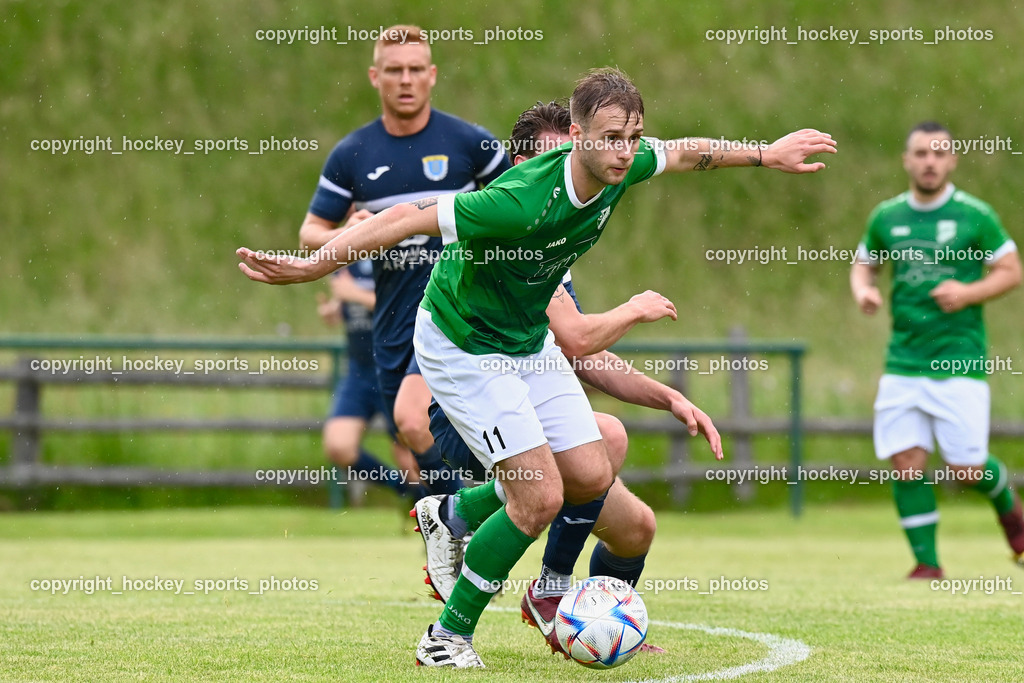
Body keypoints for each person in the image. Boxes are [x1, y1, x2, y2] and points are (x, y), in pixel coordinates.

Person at [238, 67, 836, 669]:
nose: (625, 151)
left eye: (633, 137)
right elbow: (407, 217)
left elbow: (684, 153)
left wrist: (767, 154)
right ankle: (446, 638)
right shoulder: (519, 200)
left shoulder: (624, 164)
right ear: (577, 135)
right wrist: (314, 266)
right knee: (538, 497)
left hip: (526, 342)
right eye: (611, 138)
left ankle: (454, 515)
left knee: (591, 471)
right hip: (464, 345)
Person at [414, 101, 695, 657]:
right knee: (549, 487)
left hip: (520, 376)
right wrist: (320, 261)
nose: (568, 167)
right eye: (555, 156)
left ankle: (467, 521)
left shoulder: (566, 225)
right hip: (466, 400)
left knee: (622, 506)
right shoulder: (516, 216)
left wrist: (667, 397)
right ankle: (455, 630)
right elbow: (579, 339)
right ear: (523, 165)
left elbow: (579, 355)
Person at [299, 24, 511, 496]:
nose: (406, 80)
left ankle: (473, 513)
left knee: (419, 422)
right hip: (392, 322)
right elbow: (310, 232)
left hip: (458, 314)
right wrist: (344, 234)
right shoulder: (352, 154)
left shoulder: (470, 144)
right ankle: (462, 514)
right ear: (375, 77)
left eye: (416, 69)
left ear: (432, 75)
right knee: (415, 436)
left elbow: (519, 208)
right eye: (394, 70)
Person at [850, 120, 1024, 580]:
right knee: (905, 463)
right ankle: (927, 564)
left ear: (952, 160)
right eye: (921, 153)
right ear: (907, 161)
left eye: (939, 153)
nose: (930, 161)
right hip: (903, 362)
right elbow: (864, 265)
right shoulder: (887, 216)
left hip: (959, 360)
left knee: (967, 468)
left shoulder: (975, 215)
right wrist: (864, 291)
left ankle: (1012, 514)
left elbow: (1011, 270)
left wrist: (968, 293)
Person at [316, 255, 417, 502]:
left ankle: (438, 514)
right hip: (359, 371)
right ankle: (404, 489)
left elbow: (403, 309)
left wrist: (355, 294)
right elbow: (346, 301)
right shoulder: (345, 255)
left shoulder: (403, 253)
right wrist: (334, 310)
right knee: (338, 446)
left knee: (412, 458)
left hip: (397, 368)